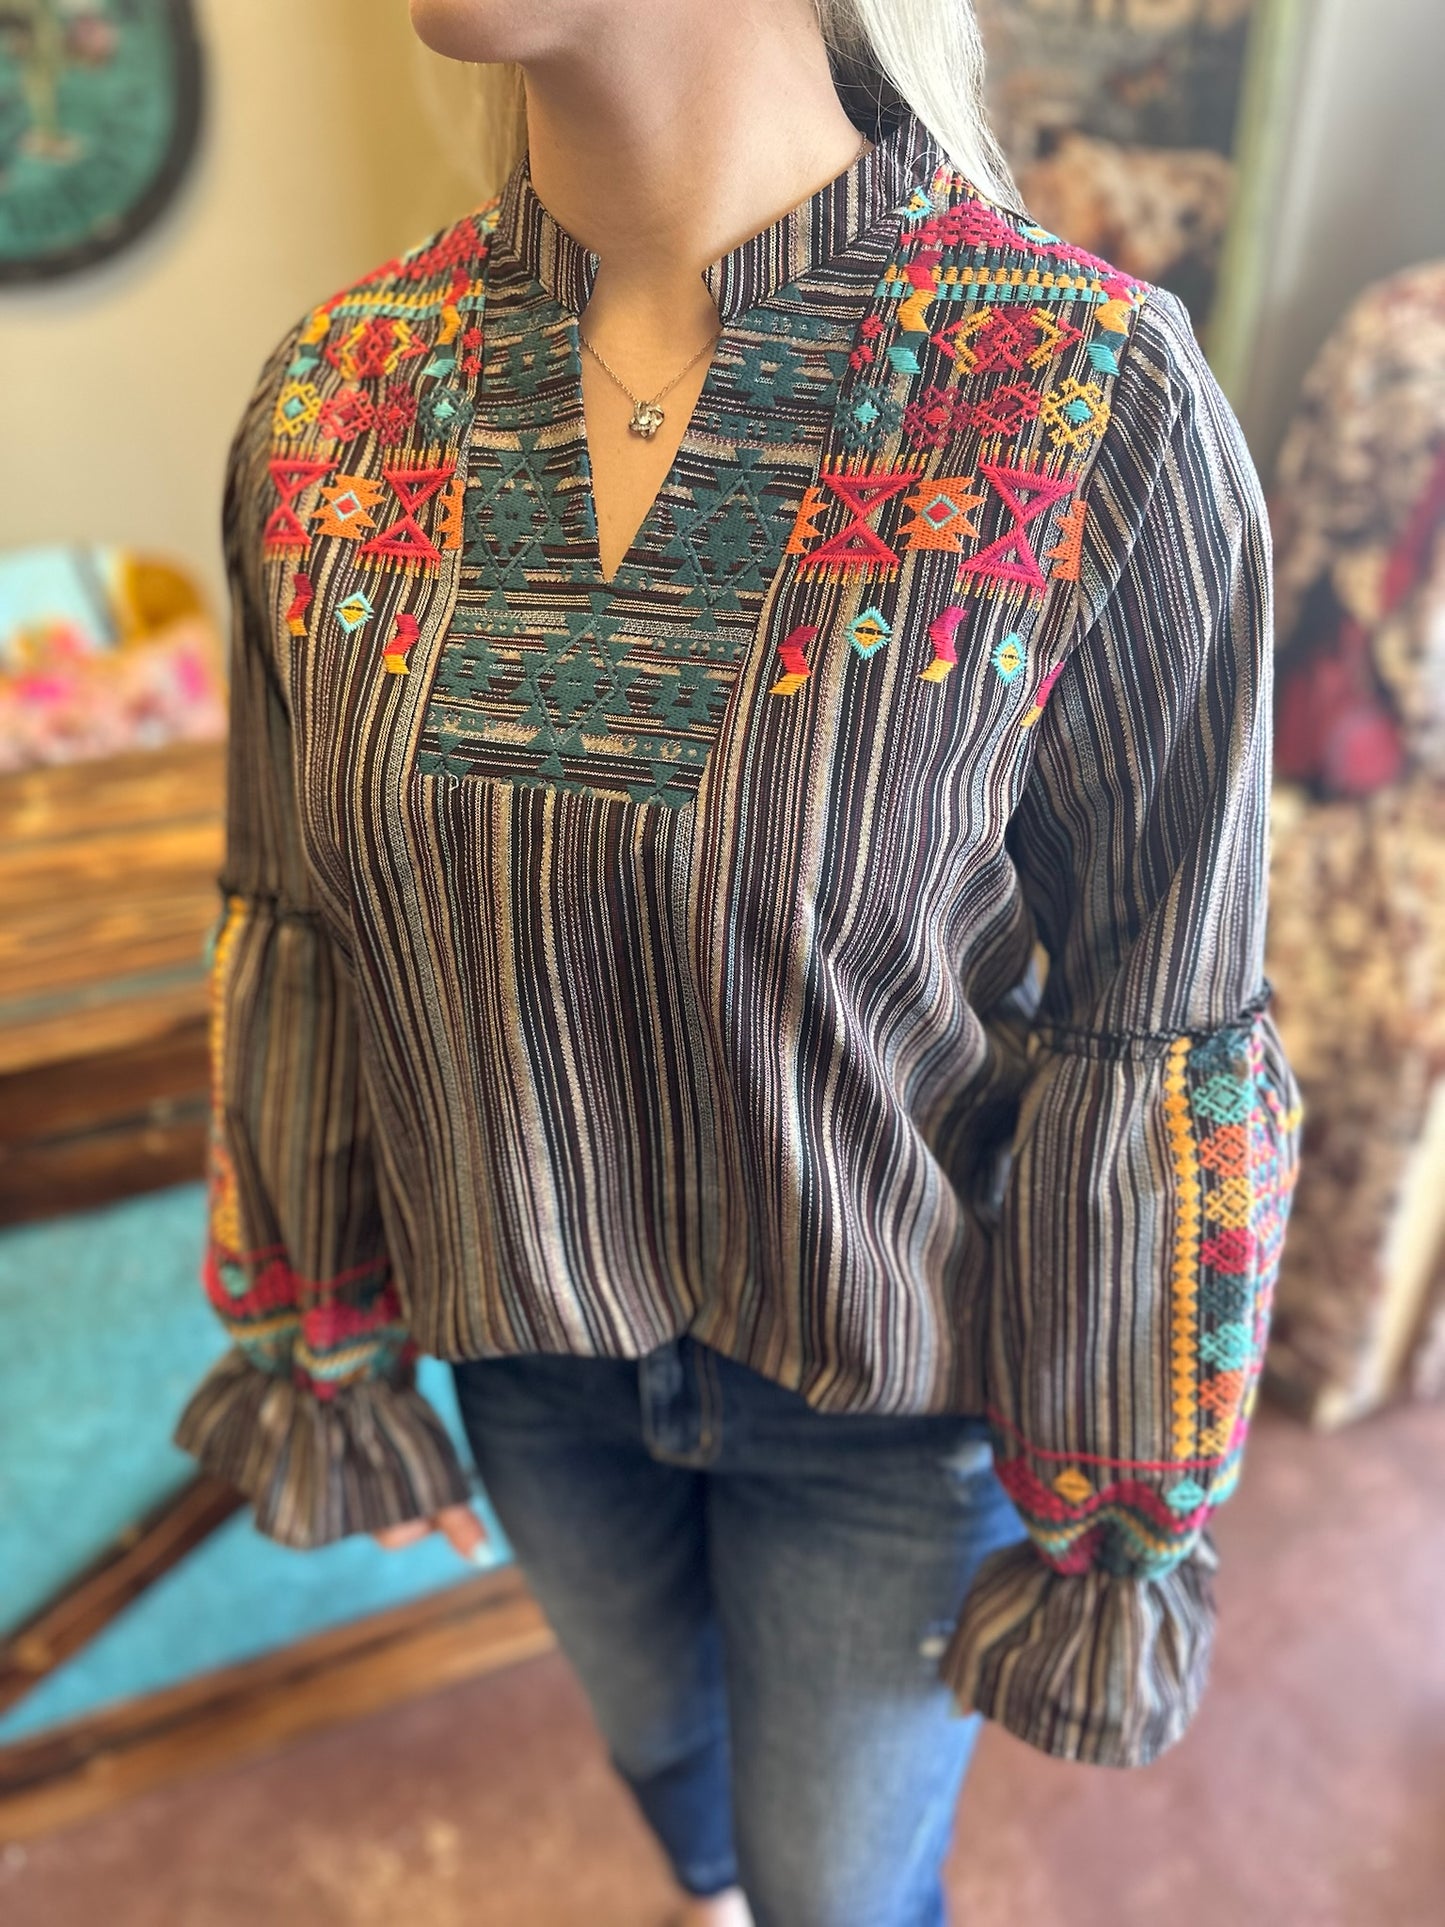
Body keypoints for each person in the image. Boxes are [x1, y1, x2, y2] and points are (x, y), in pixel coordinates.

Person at [174, 3, 1305, 1923]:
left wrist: (1116, 1496)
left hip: (888, 1393)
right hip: (527, 1353)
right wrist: (325, 1322)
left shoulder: (1081, 401)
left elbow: (1160, 1011)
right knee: (672, 1787)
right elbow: (298, 922)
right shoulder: (338, 405)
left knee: (835, 1894)